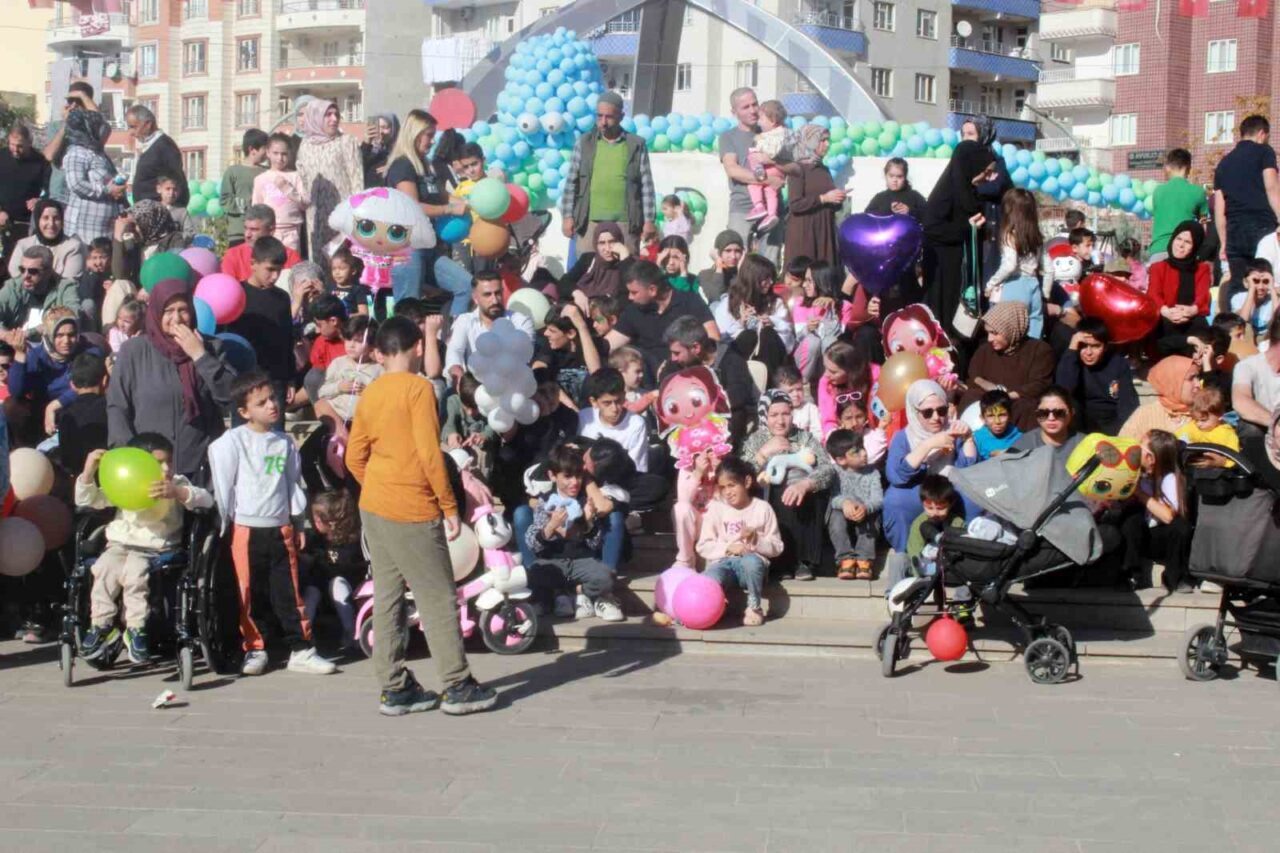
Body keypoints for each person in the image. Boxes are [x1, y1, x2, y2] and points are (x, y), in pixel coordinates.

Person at [346, 316, 497, 715]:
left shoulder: (372, 392)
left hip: (375, 507)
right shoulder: (418, 389)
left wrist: (377, 483)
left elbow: (353, 455)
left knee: (389, 595)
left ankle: (394, 687)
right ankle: (456, 684)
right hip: (412, 506)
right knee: (438, 597)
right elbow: (430, 454)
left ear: (382, 351)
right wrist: (449, 505)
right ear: (416, 347)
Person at [209, 371, 334, 676]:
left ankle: (301, 649)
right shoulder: (233, 442)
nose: (271, 406)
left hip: (280, 527)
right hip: (246, 529)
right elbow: (224, 485)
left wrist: (297, 521)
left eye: (273, 398)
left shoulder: (284, 442)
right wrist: (225, 525)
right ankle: (256, 647)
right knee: (250, 591)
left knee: (288, 590)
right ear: (244, 411)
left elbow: (292, 483)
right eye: (261, 402)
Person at [75, 435, 213, 664]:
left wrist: (178, 493)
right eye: (158, 463)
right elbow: (89, 500)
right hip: (120, 544)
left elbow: (206, 500)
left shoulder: (175, 483)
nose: (166, 468)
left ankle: (136, 628)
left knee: (134, 574)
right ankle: (101, 625)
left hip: (156, 548)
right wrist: (89, 473)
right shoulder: (126, 480)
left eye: (169, 461)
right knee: (103, 568)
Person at [107, 278, 235, 479]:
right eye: (168, 311)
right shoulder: (134, 351)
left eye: (183, 310)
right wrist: (127, 455)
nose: (177, 318)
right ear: (156, 312)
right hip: (148, 466)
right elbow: (117, 406)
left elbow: (229, 395)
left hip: (200, 466)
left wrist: (200, 356)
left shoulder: (210, 347)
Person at [882, 379, 978, 582]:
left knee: (973, 498)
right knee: (894, 499)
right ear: (914, 412)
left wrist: (968, 437)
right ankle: (906, 555)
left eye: (941, 410)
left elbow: (967, 471)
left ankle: (968, 554)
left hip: (947, 492)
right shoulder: (903, 436)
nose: (936, 417)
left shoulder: (955, 430)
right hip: (920, 494)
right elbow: (896, 476)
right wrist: (928, 446)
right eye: (927, 412)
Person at [741, 390, 836, 581]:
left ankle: (804, 562)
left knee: (808, 490)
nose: (781, 421)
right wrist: (763, 454)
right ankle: (781, 562)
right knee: (778, 489)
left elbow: (827, 468)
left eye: (785, 414)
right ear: (764, 416)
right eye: (774, 415)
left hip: (802, 499)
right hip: (770, 498)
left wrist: (806, 484)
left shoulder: (804, 438)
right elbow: (742, 475)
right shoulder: (755, 440)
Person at [384, 109, 472, 311]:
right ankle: (404, 342)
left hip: (430, 247)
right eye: (429, 136)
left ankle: (450, 338)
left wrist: (468, 204)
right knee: (409, 306)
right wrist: (449, 209)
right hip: (408, 248)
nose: (433, 141)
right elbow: (412, 207)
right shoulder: (402, 165)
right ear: (414, 134)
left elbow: (442, 194)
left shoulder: (426, 166)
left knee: (466, 286)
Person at [525, 443, 625, 622]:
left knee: (605, 577)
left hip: (581, 561)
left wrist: (587, 523)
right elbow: (532, 542)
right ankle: (555, 595)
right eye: (568, 476)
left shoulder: (585, 501)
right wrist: (550, 527)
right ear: (552, 476)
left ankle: (578, 591)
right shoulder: (545, 502)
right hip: (554, 561)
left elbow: (594, 543)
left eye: (579, 476)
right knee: (534, 574)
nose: (574, 482)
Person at [560, 90, 656, 255]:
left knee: (626, 272)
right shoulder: (584, 143)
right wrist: (567, 216)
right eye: (599, 116)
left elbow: (646, 186)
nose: (603, 122)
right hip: (589, 223)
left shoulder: (636, 144)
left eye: (609, 117)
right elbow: (571, 183)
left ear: (621, 116)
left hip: (626, 223)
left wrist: (648, 221)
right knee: (587, 273)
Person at [922, 141, 998, 338]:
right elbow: (932, 229)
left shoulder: (972, 195)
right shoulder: (944, 196)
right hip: (945, 274)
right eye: (986, 171)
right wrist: (968, 228)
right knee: (947, 327)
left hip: (966, 274)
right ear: (971, 166)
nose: (988, 177)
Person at [696, 456, 783, 626]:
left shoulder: (762, 508)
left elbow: (777, 547)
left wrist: (756, 540)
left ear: (747, 482)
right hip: (723, 564)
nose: (727, 492)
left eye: (732, 485)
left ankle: (754, 606)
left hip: (751, 568)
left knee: (751, 563)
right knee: (709, 578)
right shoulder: (716, 508)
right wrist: (729, 547)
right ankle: (715, 605)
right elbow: (703, 545)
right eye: (722, 487)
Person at [607, 260, 718, 378]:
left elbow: (713, 337)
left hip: (687, 374)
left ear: (652, 290)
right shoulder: (634, 311)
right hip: (648, 380)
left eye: (634, 292)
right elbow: (609, 344)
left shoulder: (689, 302)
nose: (630, 297)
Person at [957, 301, 1055, 432]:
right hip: (987, 400)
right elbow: (974, 377)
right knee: (970, 396)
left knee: (1025, 408)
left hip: (1018, 402)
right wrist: (991, 391)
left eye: (995, 333)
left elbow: (1039, 384)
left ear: (1011, 329)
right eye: (988, 333)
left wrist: (1008, 396)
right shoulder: (985, 350)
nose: (990, 339)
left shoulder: (1039, 350)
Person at [225, 238, 292, 426]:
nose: (275, 276)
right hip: (244, 384)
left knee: (275, 439)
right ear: (253, 263)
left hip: (274, 382)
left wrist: (291, 379)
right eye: (270, 270)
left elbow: (287, 339)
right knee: (244, 440)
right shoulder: (236, 294)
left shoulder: (282, 298)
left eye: (279, 270)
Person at [662, 315, 756, 449]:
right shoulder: (679, 364)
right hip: (689, 424)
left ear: (696, 348)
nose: (673, 358)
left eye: (677, 353)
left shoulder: (731, 361)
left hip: (723, 425)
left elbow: (737, 399)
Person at [1214, 115, 1280, 298]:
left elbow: (1220, 210)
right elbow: (1272, 187)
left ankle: (1238, 324)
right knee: (1265, 284)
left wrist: (1224, 242)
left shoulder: (1223, 164)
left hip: (1234, 231)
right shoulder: (1265, 152)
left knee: (1239, 286)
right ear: (1261, 134)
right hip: (1262, 227)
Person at [7, 308, 101, 437]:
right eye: (59, 335)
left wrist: (55, 405)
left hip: (76, 411)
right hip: (41, 416)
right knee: (12, 407)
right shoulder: (38, 356)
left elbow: (87, 384)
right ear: (49, 336)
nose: (66, 341)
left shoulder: (88, 352)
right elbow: (16, 391)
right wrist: (20, 353)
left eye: (71, 335)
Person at [719, 87, 784, 262]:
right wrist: (768, 180)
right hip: (742, 207)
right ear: (734, 112)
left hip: (773, 209)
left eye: (755, 104)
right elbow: (732, 169)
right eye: (746, 107)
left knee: (769, 260)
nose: (753, 110)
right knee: (735, 259)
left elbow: (789, 163)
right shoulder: (728, 137)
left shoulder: (771, 131)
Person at [295, 98, 363, 264]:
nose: (334, 119)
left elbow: (357, 180)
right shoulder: (305, 145)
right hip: (316, 218)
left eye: (336, 114)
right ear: (316, 117)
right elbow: (303, 180)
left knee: (343, 266)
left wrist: (356, 215)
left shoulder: (347, 142)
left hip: (343, 217)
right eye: (328, 115)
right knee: (319, 266)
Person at [1122, 429, 1190, 591]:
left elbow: (1167, 516)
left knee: (1181, 526)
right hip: (1142, 536)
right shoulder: (1134, 473)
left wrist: (1140, 493)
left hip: (1162, 538)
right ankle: (1132, 574)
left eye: (1142, 448)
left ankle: (1174, 577)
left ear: (1151, 458)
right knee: (1131, 520)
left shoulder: (1170, 479)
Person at [300, 490, 365, 657]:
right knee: (312, 591)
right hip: (320, 588)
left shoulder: (351, 541)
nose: (314, 522)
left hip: (348, 591)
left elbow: (349, 568)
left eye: (317, 518)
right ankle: (304, 636)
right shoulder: (315, 539)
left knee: (337, 582)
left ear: (332, 521)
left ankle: (351, 631)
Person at [444, 271, 535, 384]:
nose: (495, 300)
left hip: (512, 385)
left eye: (498, 293)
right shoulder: (465, 321)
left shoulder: (521, 321)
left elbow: (523, 355)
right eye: (487, 295)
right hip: (474, 387)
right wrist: (456, 370)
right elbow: (455, 350)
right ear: (475, 298)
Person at [713, 254, 793, 378]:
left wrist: (772, 322)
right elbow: (721, 337)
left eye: (772, 278)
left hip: (770, 361)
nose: (770, 282)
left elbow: (788, 340)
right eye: (766, 278)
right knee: (747, 336)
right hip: (741, 360)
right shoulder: (729, 302)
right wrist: (741, 323)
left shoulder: (775, 302)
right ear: (752, 278)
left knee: (767, 334)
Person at [1055, 317, 1139, 436]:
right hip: (1079, 423)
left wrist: (1123, 433)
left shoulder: (1118, 364)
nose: (1089, 352)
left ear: (1104, 347)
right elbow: (1063, 390)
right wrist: (1073, 348)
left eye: (1095, 346)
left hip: (1110, 423)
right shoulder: (1071, 360)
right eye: (1083, 346)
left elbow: (1128, 402)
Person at [983, 188, 1044, 339]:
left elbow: (1009, 265)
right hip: (1033, 283)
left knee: (1006, 332)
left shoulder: (1009, 234)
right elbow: (1048, 267)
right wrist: (1046, 292)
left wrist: (991, 283)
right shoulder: (1037, 235)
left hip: (1014, 284)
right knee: (1034, 329)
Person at [1147, 220, 1212, 355]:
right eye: (1179, 239)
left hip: (1189, 317)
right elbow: (1154, 294)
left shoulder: (1202, 269)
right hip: (1167, 316)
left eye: (1187, 242)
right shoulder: (1158, 267)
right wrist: (1167, 312)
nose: (1181, 245)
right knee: (1160, 324)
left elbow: (1203, 295)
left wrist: (1192, 310)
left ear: (1195, 247)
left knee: (1201, 324)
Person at [61, 107, 125, 243]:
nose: (102, 132)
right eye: (99, 128)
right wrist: (108, 190)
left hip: (103, 230)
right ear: (90, 129)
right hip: (83, 231)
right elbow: (76, 184)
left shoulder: (97, 153)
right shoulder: (76, 153)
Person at [826, 428, 882, 581]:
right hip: (843, 511)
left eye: (862, 448)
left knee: (873, 519)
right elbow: (833, 497)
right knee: (835, 518)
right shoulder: (835, 472)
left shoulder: (873, 473)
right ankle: (845, 558)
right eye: (856, 452)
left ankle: (864, 559)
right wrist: (844, 503)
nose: (864, 453)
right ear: (841, 459)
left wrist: (866, 508)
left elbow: (878, 499)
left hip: (865, 511)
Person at [783, 124, 844, 267]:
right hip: (805, 232)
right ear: (810, 141)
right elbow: (795, 204)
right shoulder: (798, 169)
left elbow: (828, 199)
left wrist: (837, 199)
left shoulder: (823, 169)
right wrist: (823, 198)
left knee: (823, 277)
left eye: (828, 140)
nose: (827, 144)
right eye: (822, 140)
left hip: (824, 230)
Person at [317, 313, 382, 430]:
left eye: (358, 341)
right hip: (337, 418)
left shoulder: (379, 369)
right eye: (348, 340)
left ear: (372, 345)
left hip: (364, 423)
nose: (351, 345)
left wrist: (368, 392)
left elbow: (384, 398)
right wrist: (339, 387)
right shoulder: (338, 363)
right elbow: (322, 392)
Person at [577, 367, 648, 472]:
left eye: (618, 401)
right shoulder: (584, 418)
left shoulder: (636, 424)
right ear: (594, 402)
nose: (614, 409)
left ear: (624, 396)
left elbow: (638, 469)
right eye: (607, 403)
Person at [0, 125, 50, 272]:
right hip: (3, 218)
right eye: (12, 145)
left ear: (30, 142)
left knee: (16, 265)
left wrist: (39, 200)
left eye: (20, 146)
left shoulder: (40, 162)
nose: (15, 149)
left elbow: (47, 190)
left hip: (25, 224)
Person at [535, 303, 605, 402]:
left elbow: (596, 373)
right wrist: (572, 408)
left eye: (552, 330)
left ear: (571, 333)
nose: (546, 333)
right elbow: (538, 370)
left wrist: (581, 327)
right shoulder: (550, 346)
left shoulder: (594, 345)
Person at [0, 244, 80, 331]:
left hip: (52, 342)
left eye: (33, 271)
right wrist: (6, 336)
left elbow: (69, 319)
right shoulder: (12, 287)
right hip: (12, 341)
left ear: (48, 272)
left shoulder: (66, 288)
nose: (25, 276)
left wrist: (27, 334)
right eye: (22, 269)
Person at [253, 133, 309, 254]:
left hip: (292, 230)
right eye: (276, 153)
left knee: (291, 265)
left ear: (290, 154)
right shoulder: (261, 179)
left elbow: (305, 204)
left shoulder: (295, 176)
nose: (280, 158)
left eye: (284, 154)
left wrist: (288, 189)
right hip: (270, 231)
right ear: (268, 153)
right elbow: (257, 208)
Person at [1149, 149, 1208, 261]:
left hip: (1159, 248)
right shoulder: (1198, 192)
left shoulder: (1158, 191)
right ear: (1188, 168)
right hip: (1185, 250)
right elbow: (1203, 226)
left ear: (1168, 167)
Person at [54, 352, 108, 475]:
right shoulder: (110, 408)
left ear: (72, 385)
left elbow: (67, 460)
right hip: (109, 476)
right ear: (105, 380)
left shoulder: (66, 416)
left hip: (80, 479)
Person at [6, 199, 84, 282]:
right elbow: (16, 276)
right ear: (37, 220)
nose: (51, 224)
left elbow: (68, 282)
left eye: (56, 218)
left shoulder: (73, 247)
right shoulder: (23, 245)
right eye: (45, 218)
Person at [906, 474, 967, 579]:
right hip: (925, 565)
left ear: (951, 504)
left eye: (940, 508)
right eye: (930, 508)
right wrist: (921, 578)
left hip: (949, 566)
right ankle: (894, 593)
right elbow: (915, 552)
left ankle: (963, 595)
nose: (935, 513)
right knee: (898, 559)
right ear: (922, 504)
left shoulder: (957, 523)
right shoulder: (919, 523)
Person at [125, 104, 187, 207]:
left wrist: (168, 209)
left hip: (159, 212)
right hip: (146, 211)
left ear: (148, 124)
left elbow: (175, 180)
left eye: (134, 127)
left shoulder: (165, 146)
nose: (131, 132)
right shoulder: (150, 146)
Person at [219, 205, 302, 281]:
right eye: (246, 228)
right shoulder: (233, 255)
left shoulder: (290, 257)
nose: (247, 235)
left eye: (254, 229)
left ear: (271, 230)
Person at [746, 99, 792, 234]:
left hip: (769, 168)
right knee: (770, 191)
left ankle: (759, 205)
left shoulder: (773, 135)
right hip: (779, 172)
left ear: (772, 121)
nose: (758, 122)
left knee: (753, 183)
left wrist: (759, 142)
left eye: (761, 119)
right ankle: (771, 214)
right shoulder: (787, 133)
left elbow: (771, 151)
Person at [220, 129, 269, 248]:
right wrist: (249, 206)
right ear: (252, 149)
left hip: (262, 232)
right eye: (265, 149)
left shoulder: (267, 172)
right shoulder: (233, 171)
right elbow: (225, 200)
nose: (267, 154)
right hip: (238, 233)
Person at [817, 339, 873, 440]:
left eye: (833, 372)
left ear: (851, 371)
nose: (826, 374)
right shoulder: (825, 383)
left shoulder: (874, 376)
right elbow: (828, 420)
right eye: (825, 368)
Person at [1014, 386, 1084, 465]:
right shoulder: (1022, 445)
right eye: (1043, 413)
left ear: (1072, 412)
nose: (1051, 418)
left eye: (1059, 413)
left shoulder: (1086, 445)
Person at [558, 222, 628, 301]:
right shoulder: (588, 259)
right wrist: (577, 293)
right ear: (596, 244)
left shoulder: (626, 263)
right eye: (602, 243)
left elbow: (633, 288)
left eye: (612, 242)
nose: (607, 249)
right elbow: (564, 282)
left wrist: (625, 258)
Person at [1232, 321, 1280, 429]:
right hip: (1266, 428)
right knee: (1249, 428)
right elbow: (1241, 402)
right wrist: (1276, 425)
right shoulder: (1248, 366)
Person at [303, 295, 348, 406]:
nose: (317, 330)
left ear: (333, 321)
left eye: (319, 325)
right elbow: (314, 381)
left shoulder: (358, 339)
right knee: (312, 377)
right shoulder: (321, 342)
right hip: (333, 395)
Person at [1176, 384, 1239, 453]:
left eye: (1203, 420)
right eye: (1196, 420)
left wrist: (1222, 461)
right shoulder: (1193, 426)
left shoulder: (1227, 435)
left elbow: (1234, 455)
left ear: (1219, 416)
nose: (1199, 424)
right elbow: (1181, 435)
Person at [866, 158, 927, 222]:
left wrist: (909, 211)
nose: (895, 180)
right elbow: (867, 215)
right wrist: (889, 211)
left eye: (899, 176)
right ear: (885, 176)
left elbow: (928, 215)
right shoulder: (879, 197)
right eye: (891, 176)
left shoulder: (915, 196)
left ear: (905, 177)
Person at [1229, 258, 1276, 342]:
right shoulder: (1238, 298)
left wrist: (1272, 289)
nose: (1261, 287)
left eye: (1265, 281)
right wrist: (1252, 289)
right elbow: (1241, 323)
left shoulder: (1274, 300)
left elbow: (1278, 324)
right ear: (1246, 282)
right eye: (1255, 281)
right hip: (1246, 341)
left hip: (1267, 341)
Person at [774, 363, 822, 443]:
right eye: (790, 391)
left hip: (806, 448)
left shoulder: (810, 408)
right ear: (778, 392)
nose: (796, 394)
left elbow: (818, 432)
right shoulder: (775, 410)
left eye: (799, 389)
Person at [972, 389, 1023, 460]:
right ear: (983, 418)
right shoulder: (976, 439)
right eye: (991, 416)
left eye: (1002, 415)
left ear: (1010, 415)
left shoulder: (1019, 438)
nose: (997, 421)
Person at [696, 230, 745, 304]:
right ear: (718, 252)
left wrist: (741, 269)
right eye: (728, 251)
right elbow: (715, 298)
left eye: (737, 251)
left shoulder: (747, 275)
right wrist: (719, 267)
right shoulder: (705, 274)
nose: (733, 256)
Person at [361, 113, 400, 189]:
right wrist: (366, 144)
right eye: (378, 127)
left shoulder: (399, 151)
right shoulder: (369, 149)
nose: (381, 131)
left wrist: (392, 168)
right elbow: (358, 166)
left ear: (394, 129)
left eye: (385, 127)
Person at [329, 246, 371, 317]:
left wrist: (346, 316)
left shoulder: (357, 290)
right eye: (334, 269)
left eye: (341, 268)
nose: (337, 272)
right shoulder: (330, 289)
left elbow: (364, 313)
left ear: (353, 270)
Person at [155, 175, 196, 242]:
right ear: (159, 189)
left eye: (175, 189)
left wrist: (175, 238)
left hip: (176, 248)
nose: (171, 193)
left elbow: (190, 232)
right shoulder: (153, 209)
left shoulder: (182, 212)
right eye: (168, 189)